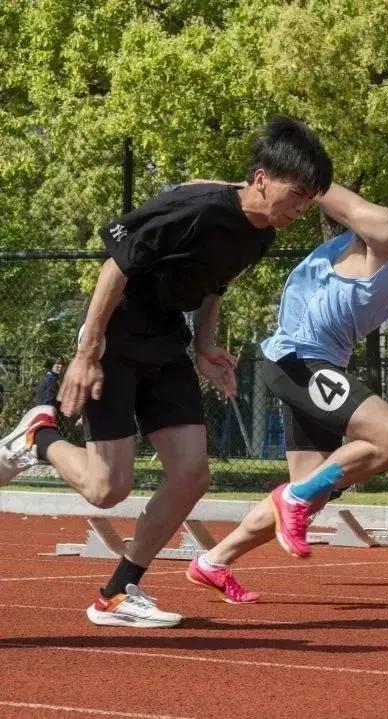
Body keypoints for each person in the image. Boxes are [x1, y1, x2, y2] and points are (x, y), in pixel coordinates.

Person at [0, 115, 333, 627]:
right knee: (106, 489)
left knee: (192, 474)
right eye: (298, 193)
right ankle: (37, 440)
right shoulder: (195, 208)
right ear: (263, 178)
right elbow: (116, 265)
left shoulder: (261, 234)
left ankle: (115, 595)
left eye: (311, 199)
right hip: (118, 338)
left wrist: (205, 346)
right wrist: (87, 351)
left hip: (167, 346)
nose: (302, 207)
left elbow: (212, 286)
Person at [185, 177, 388, 603]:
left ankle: (213, 562)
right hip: (294, 355)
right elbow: (310, 183)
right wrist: (219, 188)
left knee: (312, 491)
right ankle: (295, 498)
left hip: (325, 364)